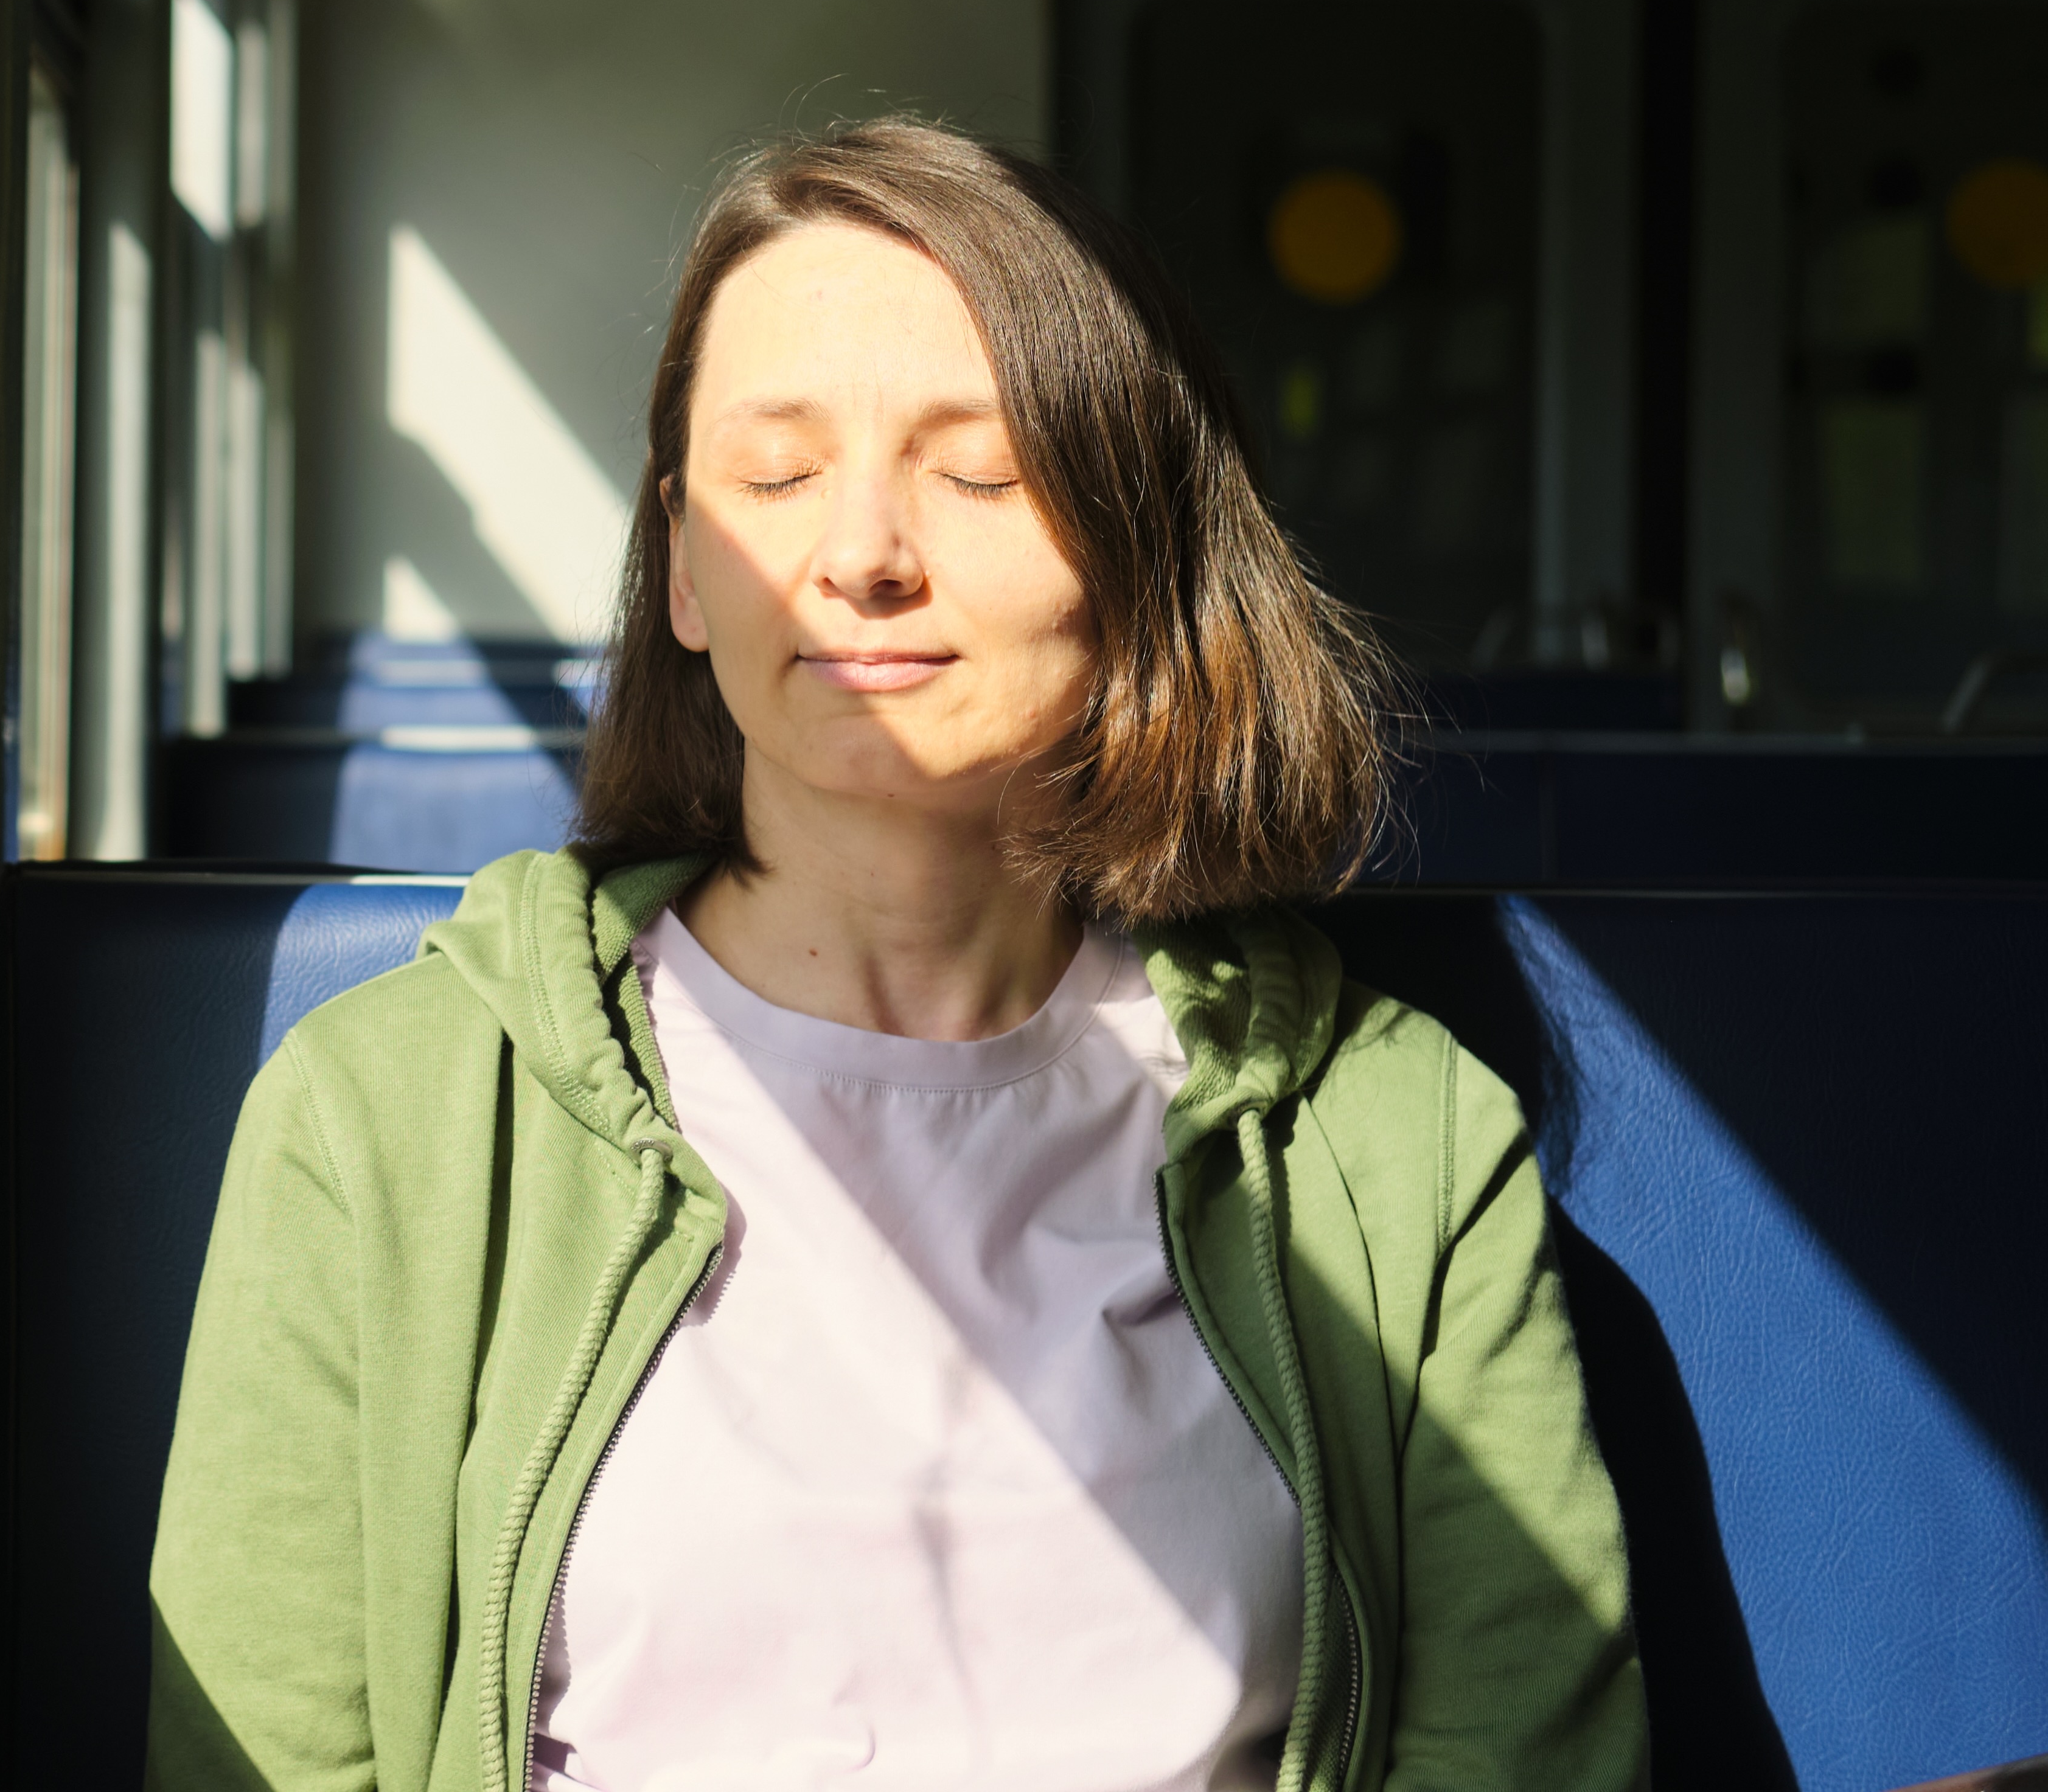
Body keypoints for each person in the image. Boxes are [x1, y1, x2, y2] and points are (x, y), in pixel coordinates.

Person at [144, 120, 1641, 1792]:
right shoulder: (392, 1118)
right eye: (774, 480)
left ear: (1136, 548)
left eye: (979, 473)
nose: (861, 556)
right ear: (690, 575)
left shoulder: (1393, 1141)